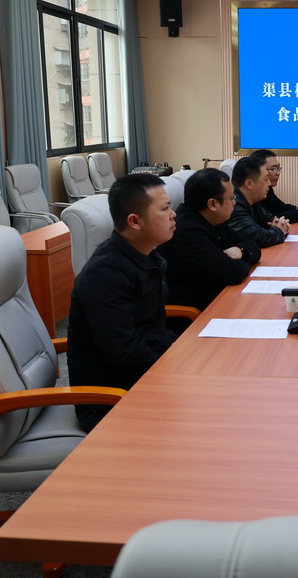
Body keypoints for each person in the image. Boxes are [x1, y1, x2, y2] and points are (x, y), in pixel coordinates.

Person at [67, 174, 177, 432]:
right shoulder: (105, 274)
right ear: (135, 221)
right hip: (111, 400)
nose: (173, 215)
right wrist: (174, 372)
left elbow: (151, 330)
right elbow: (125, 353)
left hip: (143, 378)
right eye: (164, 209)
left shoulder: (146, 256)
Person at [159, 168, 262, 313]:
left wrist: (241, 251)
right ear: (212, 204)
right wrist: (243, 259)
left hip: (216, 299)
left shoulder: (211, 219)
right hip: (193, 315)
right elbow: (233, 273)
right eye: (231, 198)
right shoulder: (187, 231)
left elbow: (253, 245)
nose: (235, 202)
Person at [229, 155, 289, 247]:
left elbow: (270, 219)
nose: (269, 183)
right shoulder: (233, 206)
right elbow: (258, 237)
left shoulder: (253, 200)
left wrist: (280, 224)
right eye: (266, 179)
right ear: (249, 184)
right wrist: (279, 230)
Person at [250, 149, 298, 222]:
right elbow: (269, 219)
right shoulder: (253, 191)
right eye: (274, 169)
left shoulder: (268, 188)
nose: (278, 173)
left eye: (278, 168)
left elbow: (279, 207)